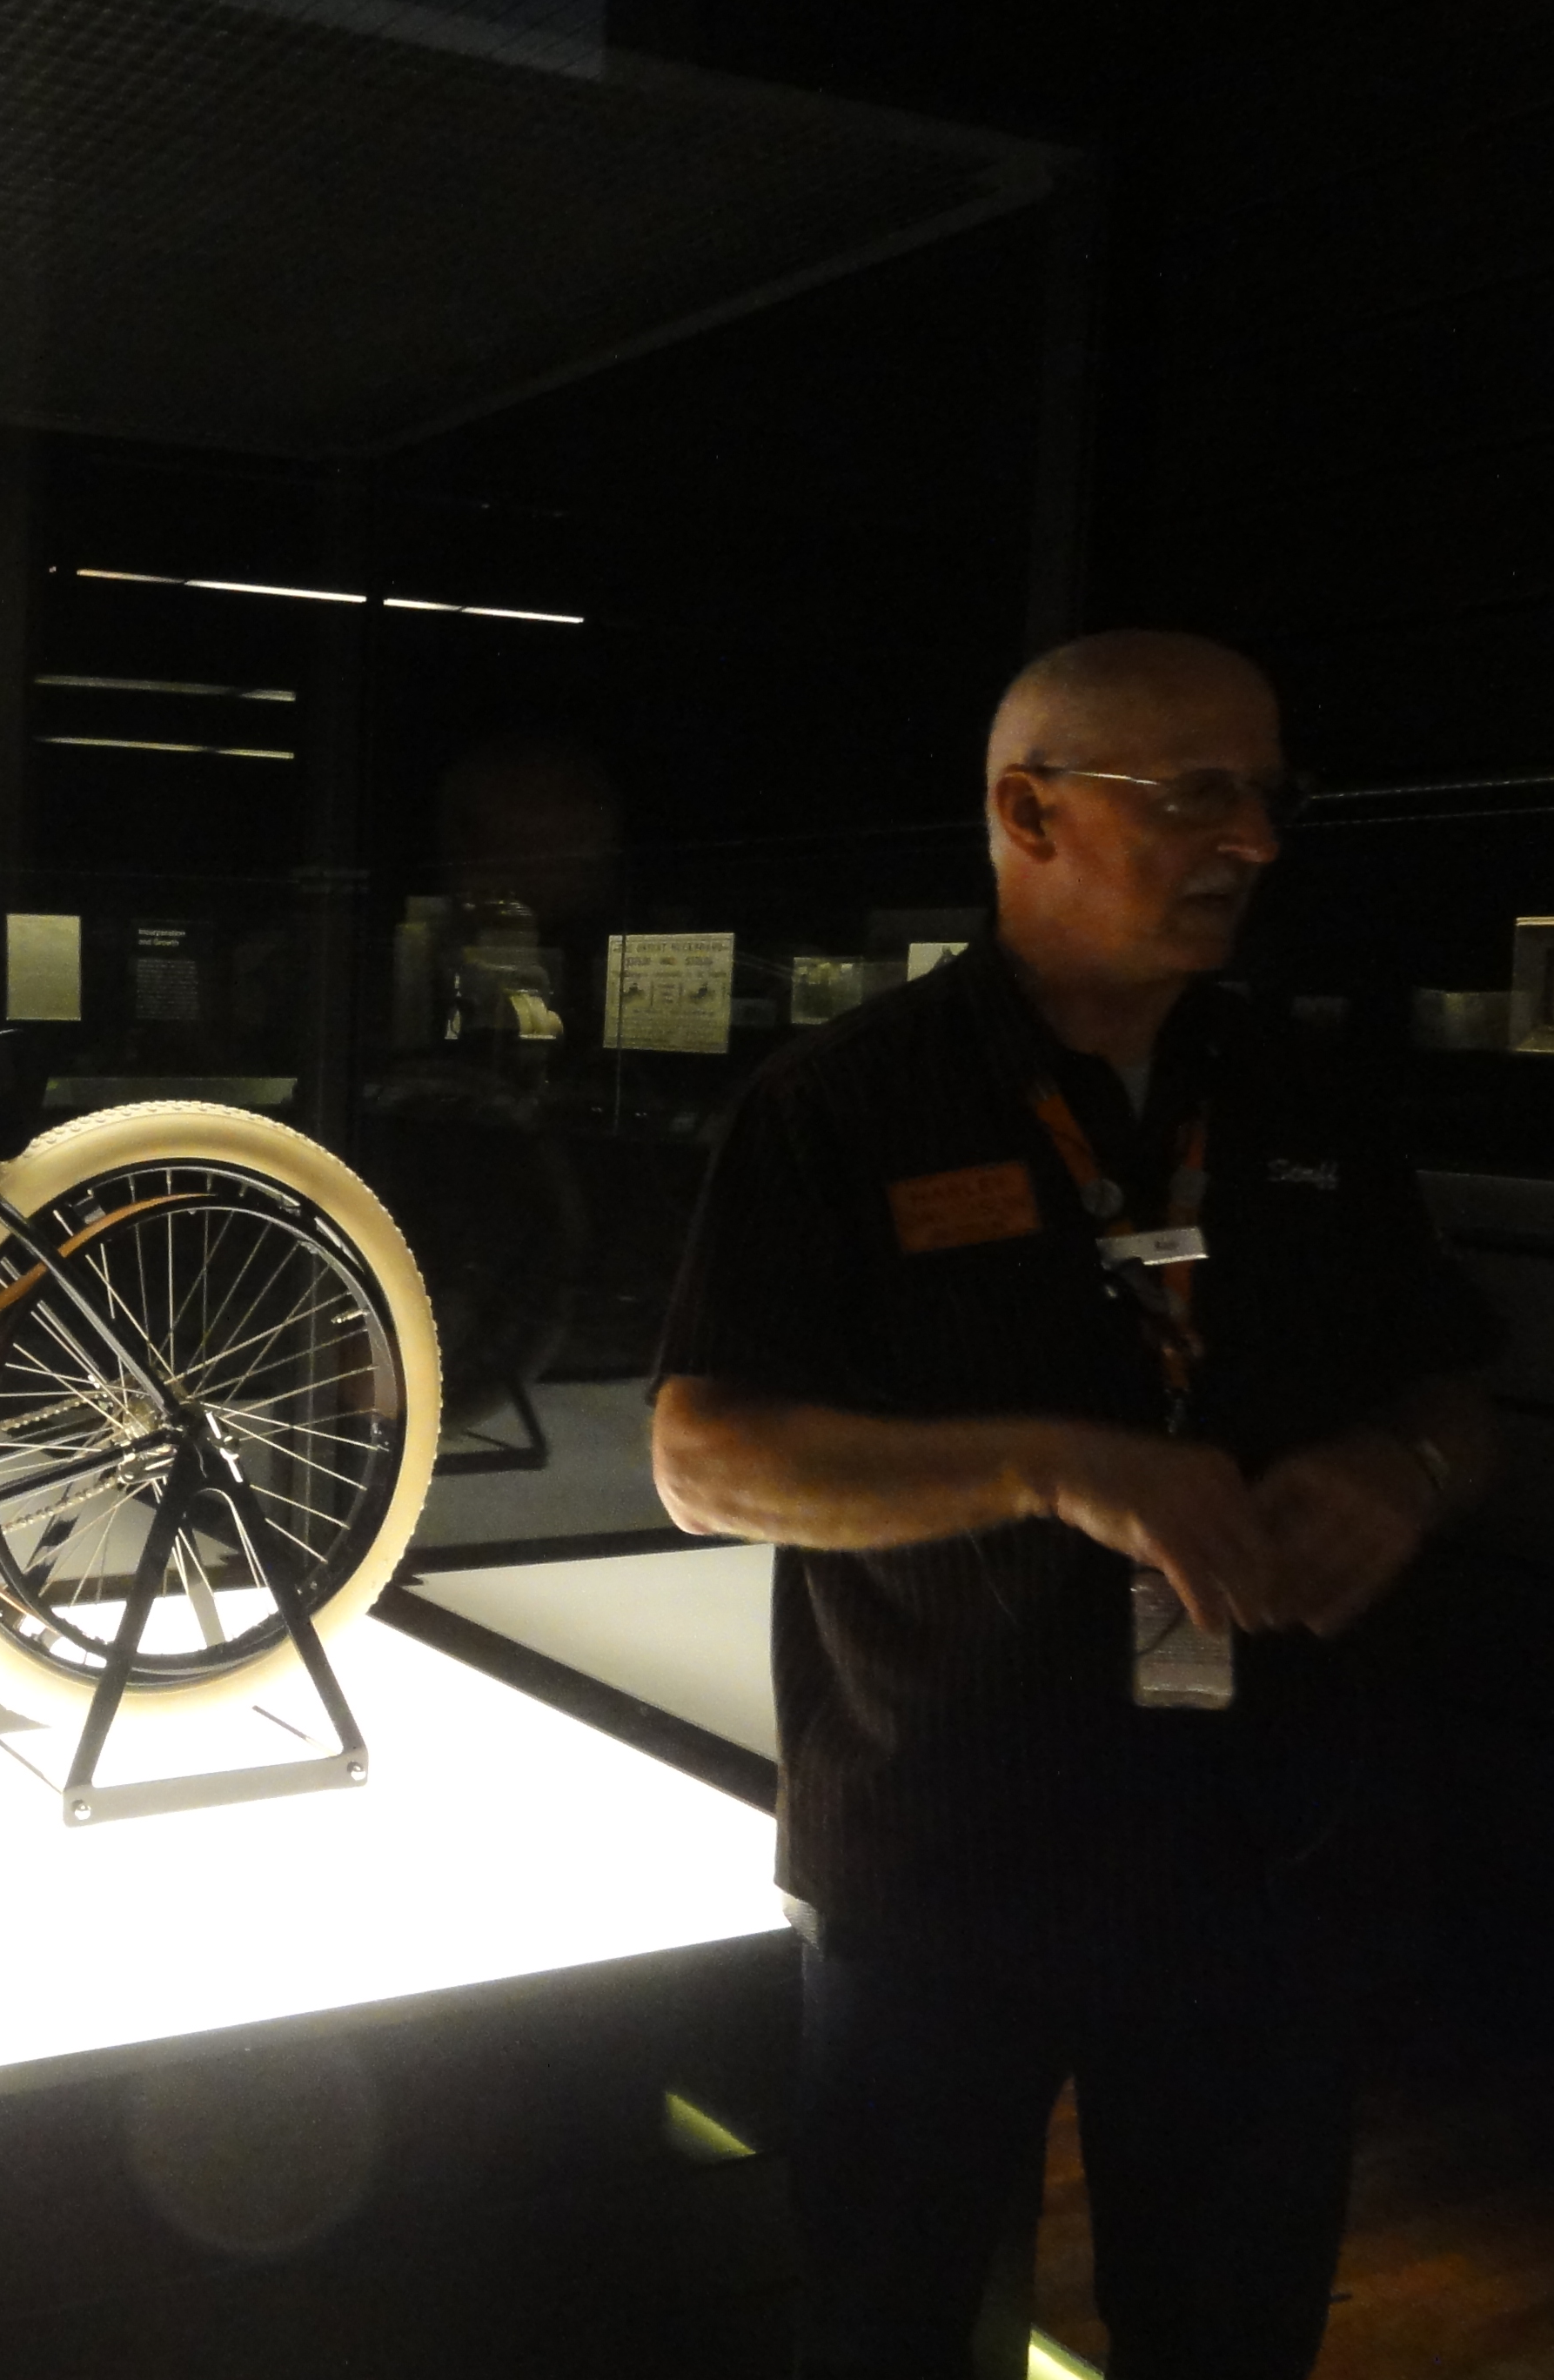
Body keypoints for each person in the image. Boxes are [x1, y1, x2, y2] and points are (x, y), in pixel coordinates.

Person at [649, 631, 1498, 2380]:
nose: (1252, 839)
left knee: (1229, 2332)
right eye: (1195, 795)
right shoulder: (841, 1104)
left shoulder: (1307, 1099)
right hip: (943, 1853)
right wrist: (1048, 1464)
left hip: (1264, 1848)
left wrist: (1405, 1470)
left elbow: (1451, 1395)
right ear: (1027, 815)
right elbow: (704, 1460)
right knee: (887, 2330)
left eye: (1269, 794)